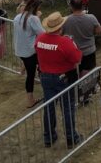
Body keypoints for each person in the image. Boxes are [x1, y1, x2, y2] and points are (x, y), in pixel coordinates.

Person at [35, 12, 82, 148]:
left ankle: (48, 137)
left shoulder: (40, 39)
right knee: (67, 108)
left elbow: (37, 50)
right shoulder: (65, 42)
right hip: (63, 77)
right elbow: (77, 58)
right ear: (60, 28)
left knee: (49, 106)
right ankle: (71, 137)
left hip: (45, 76)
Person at [12, 0, 44, 108]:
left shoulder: (17, 17)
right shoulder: (33, 19)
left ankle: (24, 67)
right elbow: (42, 34)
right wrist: (38, 18)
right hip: (30, 51)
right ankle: (31, 99)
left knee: (31, 69)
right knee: (32, 74)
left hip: (20, 51)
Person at [62, 0, 101, 77]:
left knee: (75, 76)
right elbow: (99, 31)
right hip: (89, 52)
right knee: (90, 76)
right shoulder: (91, 18)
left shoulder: (65, 20)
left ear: (71, 7)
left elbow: (61, 35)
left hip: (74, 53)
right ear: (83, 6)